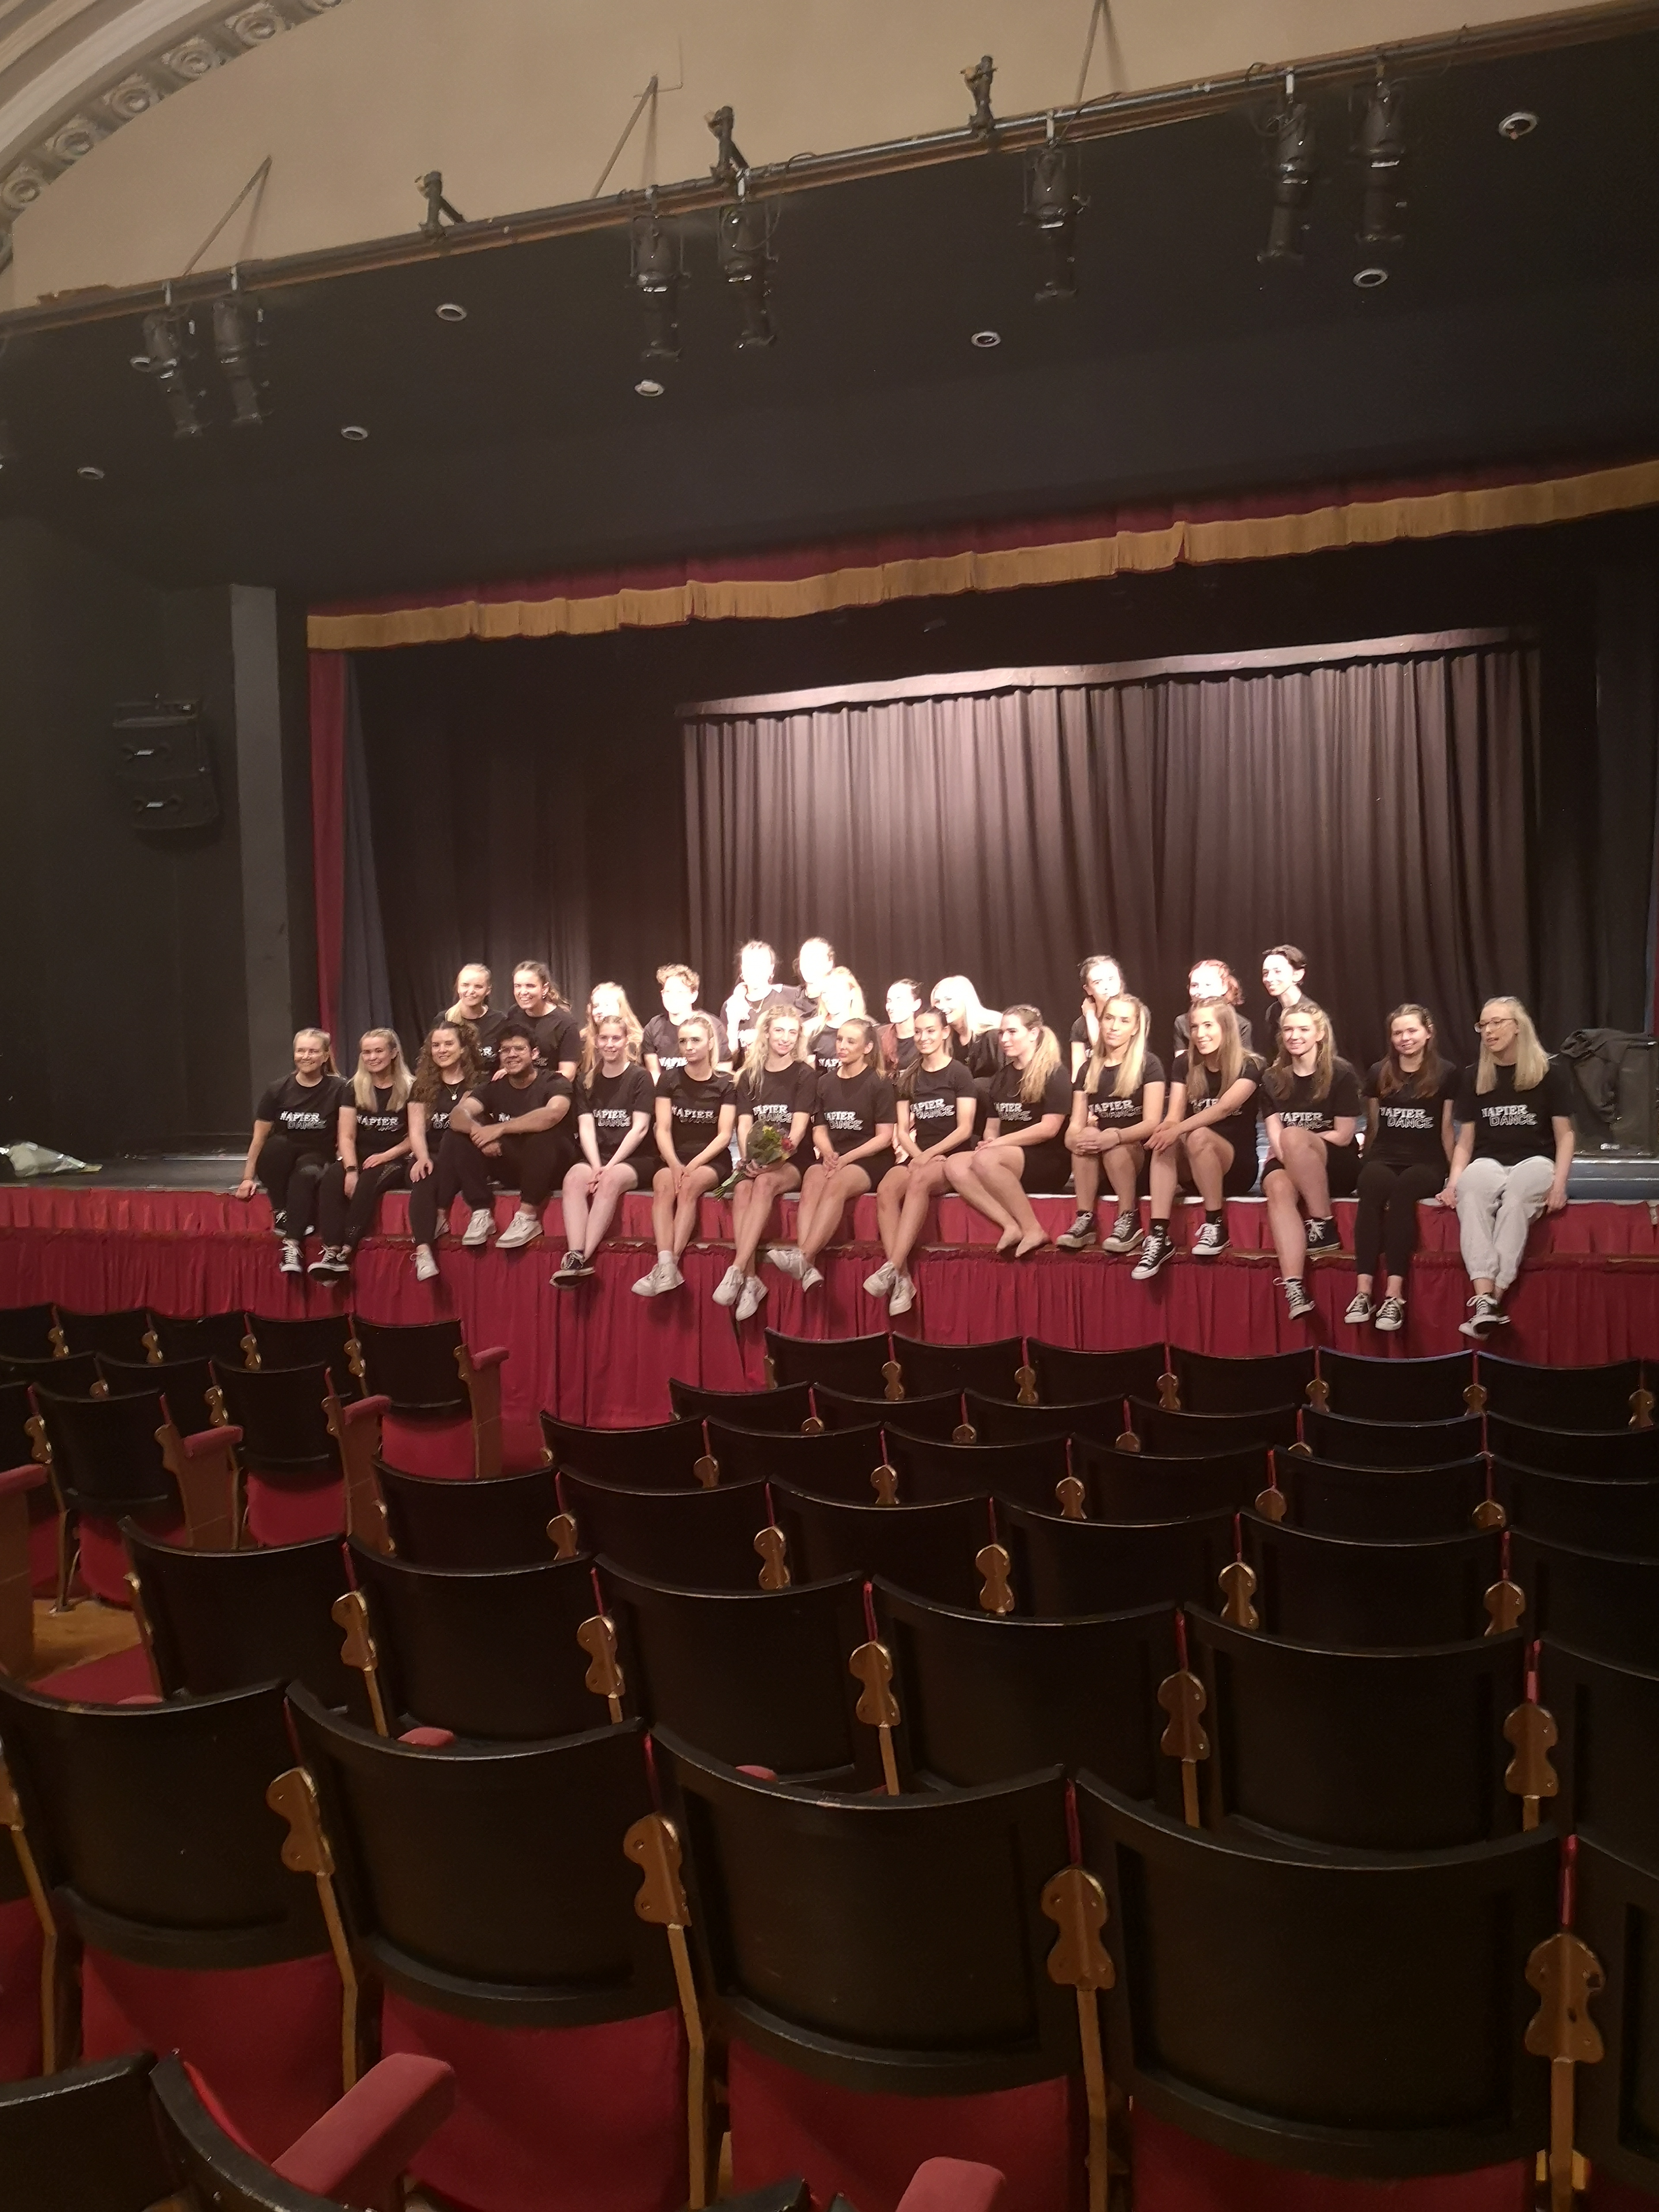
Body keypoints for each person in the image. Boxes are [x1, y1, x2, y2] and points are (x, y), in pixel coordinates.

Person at [1439, 996, 1576, 1337]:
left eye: (1497, 1022)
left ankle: (1492, 1297)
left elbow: (1566, 1136)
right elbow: (1465, 1143)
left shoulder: (1550, 1072)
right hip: (1489, 1161)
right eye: (1483, 1025)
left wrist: (1559, 1185)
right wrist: (1453, 1183)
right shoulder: (1475, 1076)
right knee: (1471, 1196)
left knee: (1515, 1200)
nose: (1488, 1031)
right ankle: (1486, 1299)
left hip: (1535, 1161)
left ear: (1518, 1026)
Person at [1134, 999, 1266, 1279]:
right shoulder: (1185, 1063)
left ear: (1227, 1028)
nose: (1200, 1033)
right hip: (1194, 1164)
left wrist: (1178, 1129)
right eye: (1195, 1027)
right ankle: (1158, 1236)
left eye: (1208, 1025)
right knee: (1165, 1138)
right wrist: (1167, 1128)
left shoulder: (1251, 1064)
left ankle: (1215, 1225)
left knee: (1197, 1136)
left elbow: (1225, 1108)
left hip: (1236, 1167)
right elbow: (1174, 1115)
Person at [1347, 1004, 1457, 1332]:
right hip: (1384, 1155)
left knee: (1404, 1191)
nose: (1405, 1038)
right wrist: (1366, 1163)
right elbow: (1374, 1125)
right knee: (1371, 1188)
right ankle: (1364, 1291)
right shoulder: (1379, 1071)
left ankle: (1394, 1295)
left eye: (1412, 1031)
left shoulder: (1448, 1073)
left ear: (1428, 1032)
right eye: (1398, 1033)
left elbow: (1448, 1129)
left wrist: (1454, 1175)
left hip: (1427, 1160)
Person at [769, 1017, 896, 1292]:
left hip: (869, 1158)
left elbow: (884, 1137)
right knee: (813, 1179)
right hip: (835, 1156)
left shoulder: (879, 1083)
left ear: (867, 1048)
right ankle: (808, 1262)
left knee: (837, 1184)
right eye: (840, 1039)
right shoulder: (825, 1082)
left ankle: (803, 1257)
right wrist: (828, 1153)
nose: (842, 1046)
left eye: (851, 1041)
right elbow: (820, 1130)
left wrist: (845, 1159)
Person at [866, 1004, 977, 1316]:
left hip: (951, 1154)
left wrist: (928, 1157)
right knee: (888, 1188)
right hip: (920, 1155)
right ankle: (901, 1279)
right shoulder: (909, 1076)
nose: (924, 1037)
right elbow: (902, 1131)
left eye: (931, 1031)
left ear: (944, 1034)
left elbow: (965, 1129)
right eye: (918, 1032)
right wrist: (918, 1155)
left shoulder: (959, 1073)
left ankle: (892, 1265)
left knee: (917, 1181)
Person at [1259, 1001, 1361, 1322]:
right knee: (1276, 1184)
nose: (1294, 1036)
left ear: (1319, 1034)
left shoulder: (1341, 1073)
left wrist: (1303, 1143)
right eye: (1288, 1030)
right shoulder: (1273, 1078)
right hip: (1289, 1156)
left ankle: (1324, 1224)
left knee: (1293, 1137)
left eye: (1303, 1029)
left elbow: (1345, 1135)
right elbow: (1274, 1134)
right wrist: (1294, 1150)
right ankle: (1294, 1285)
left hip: (1335, 1162)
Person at [944, 1005, 1071, 1259]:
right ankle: (1010, 1225)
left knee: (987, 1158)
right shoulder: (1002, 1077)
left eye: (1012, 1032)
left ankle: (1033, 1228)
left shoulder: (1054, 1073)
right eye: (1002, 1033)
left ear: (1034, 1033)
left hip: (1047, 1159)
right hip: (1006, 1156)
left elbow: (1049, 1129)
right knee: (954, 1165)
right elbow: (993, 1125)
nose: (1004, 1039)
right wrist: (989, 1141)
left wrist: (997, 1145)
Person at [717, 1005, 818, 1321]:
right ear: (766, 1033)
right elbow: (744, 1125)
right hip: (757, 1158)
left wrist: (776, 1160)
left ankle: (737, 1268)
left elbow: (799, 1129)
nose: (786, 1038)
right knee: (742, 1192)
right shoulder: (749, 1075)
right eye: (779, 1031)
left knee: (761, 1184)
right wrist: (750, 1157)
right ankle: (750, 1281)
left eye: (792, 1032)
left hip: (792, 1160)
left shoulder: (805, 1074)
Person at [442, 1020, 573, 1251]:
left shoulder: (554, 1081)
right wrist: (479, 1133)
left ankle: (528, 1216)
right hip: (511, 1163)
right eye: (505, 1050)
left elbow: (553, 1114)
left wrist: (500, 1129)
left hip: (550, 1166)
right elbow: (458, 1115)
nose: (512, 1055)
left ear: (534, 1053)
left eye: (519, 1049)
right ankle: (481, 1213)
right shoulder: (494, 1086)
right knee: (456, 1136)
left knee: (543, 1135)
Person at [633, 1014, 737, 1297]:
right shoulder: (669, 1079)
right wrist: (675, 1163)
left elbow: (724, 1135)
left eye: (695, 1040)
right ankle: (666, 1263)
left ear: (709, 1043)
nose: (689, 1046)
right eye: (683, 1041)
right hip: (673, 1154)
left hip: (710, 1158)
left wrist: (692, 1165)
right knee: (664, 1187)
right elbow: (662, 1129)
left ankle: (669, 1264)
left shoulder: (725, 1084)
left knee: (689, 1187)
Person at [234, 1029, 350, 1277]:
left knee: (306, 1174)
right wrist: (247, 1178)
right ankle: (280, 1210)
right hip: (281, 1158)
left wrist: (347, 1166)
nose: (306, 1056)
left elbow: (346, 1133)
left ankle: (292, 1245)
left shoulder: (340, 1088)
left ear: (325, 1055)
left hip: (317, 1154)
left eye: (313, 1051)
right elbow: (259, 1139)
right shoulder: (278, 1089)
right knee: (277, 1146)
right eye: (301, 1051)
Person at [1057, 994, 1165, 1253]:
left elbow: (1152, 1123)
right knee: (1085, 1139)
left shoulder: (1149, 1065)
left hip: (1138, 1155)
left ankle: (1129, 1218)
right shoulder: (1087, 1069)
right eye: (1109, 1018)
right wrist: (1073, 1139)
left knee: (1114, 1144)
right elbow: (1076, 1122)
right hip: (1100, 1153)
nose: (1114, 1026)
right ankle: (1085, 1219)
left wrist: (1115, 1137)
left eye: (1124, 1021)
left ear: (1135, 1028)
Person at [554, 1014, 655, 1284]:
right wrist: (597, 1165)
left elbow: (640, 1129)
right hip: (599, 1155)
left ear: (626, 1041)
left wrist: (607, 1169)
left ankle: (581, 1260)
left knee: (609, 1181)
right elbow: (586, 1126)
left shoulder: (640, 1077)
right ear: (596, 1042)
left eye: (616, 1038)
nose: (610, 1044)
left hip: (636, 1157)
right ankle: (574, 1252)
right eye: (604, 1038)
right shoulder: (586, 1080)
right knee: (574, 1179)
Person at [309, 1029, 416, 1281]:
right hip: (360, 1156)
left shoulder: (412, 1088)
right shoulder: (353, 1087)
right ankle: (331, 1249)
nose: (372, 1057)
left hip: (395, 1157)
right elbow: (346, 1137)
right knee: (331, 1179)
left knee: (369, 1182)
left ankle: (347, 1249)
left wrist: (386, 1156)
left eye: (379, 1051)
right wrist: (350, 1170)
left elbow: (415, 1137)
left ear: (393, 1053)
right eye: (367, 1052)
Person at [406, 1019, 484, 1281]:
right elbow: (416, 1130)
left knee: (452, 1140)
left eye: (449, 1044)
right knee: (423, 1175)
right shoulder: (422, 1086)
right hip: (432, 1153)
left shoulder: (477, 1082)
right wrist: (423, 1157)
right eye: (436, 1045)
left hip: (465, 1152)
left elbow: (460, 1121)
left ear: (463, 1049)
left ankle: (439, 1217)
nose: (442, 1050)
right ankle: (424, 1251)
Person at [643, 965, 727, 1078]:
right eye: (668, 992)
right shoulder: (653, 1027)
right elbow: (654, 1075)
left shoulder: (712, 1025)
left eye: (680, 992)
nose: (673, 997)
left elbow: (724, 1068)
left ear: (694, 996)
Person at [722, 941, 796, 1058]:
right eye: (749, 965)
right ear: (742, 970)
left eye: (760, 965)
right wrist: (733, 1023)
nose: (754, 971)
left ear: (771, 969)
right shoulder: (731, 1005)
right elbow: (728, 1056)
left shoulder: (788, 1000)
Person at [1172, 961, 1254, 1058]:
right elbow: (1181, 1064)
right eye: (1195, 985)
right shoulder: (1182, 1022)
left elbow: (1243, 1064)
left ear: (1224, 988)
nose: (1200, 991)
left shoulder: (1241, 1024)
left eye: (1208, 985)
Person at [512, 962, 580, 1077]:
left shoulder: (565, 1023)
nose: (523, 992)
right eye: (518, 986)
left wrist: (536, 1087)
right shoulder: (514, 1014)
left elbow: (568, 1074)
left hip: (552, 1090)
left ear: (544, 989)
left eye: (530, 986)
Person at [444, 963, 512, 1070]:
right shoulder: (444, 1020)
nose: (471, 991)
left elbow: (510, 1055)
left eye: (478, 987)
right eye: (465, 985)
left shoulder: (500, 1021)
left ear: (488, 991)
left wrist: (506, 1070)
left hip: (491, 1085)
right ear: (458, 988)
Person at [1070, 954, 1126, 1079]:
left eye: (1111, 979)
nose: (1106, 987)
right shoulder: (1080, 1025)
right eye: (1098, 982)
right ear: (1088, 989)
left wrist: (1090, 1016)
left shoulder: (1133, 1016)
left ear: (1120, 982)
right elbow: (1077, 1072)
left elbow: (1106, 1052)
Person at [804, 966, 867, 1075]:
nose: (829, 998)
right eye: (825, 993)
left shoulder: (867, 1029)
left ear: (851, 993)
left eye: (836, 991)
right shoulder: (813, 1030)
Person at [1260, 944, 1309, 1062]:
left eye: (1278, 972)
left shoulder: (1310, 1013)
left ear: (1297, 975)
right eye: (1266, 973)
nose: (1269, 979)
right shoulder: (1273, 1011)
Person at [878, 979, 925, 1076]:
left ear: (916, 1005)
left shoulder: (926, 1038)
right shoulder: (880, 1036)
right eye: (889, 1001)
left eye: (900, 1001)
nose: (891, 1007)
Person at [795, 936, 837, 1013]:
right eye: (805, 959)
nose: (809, 965)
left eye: (816, 960)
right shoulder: (790, 997)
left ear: (830, 964)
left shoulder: (837, 1003)